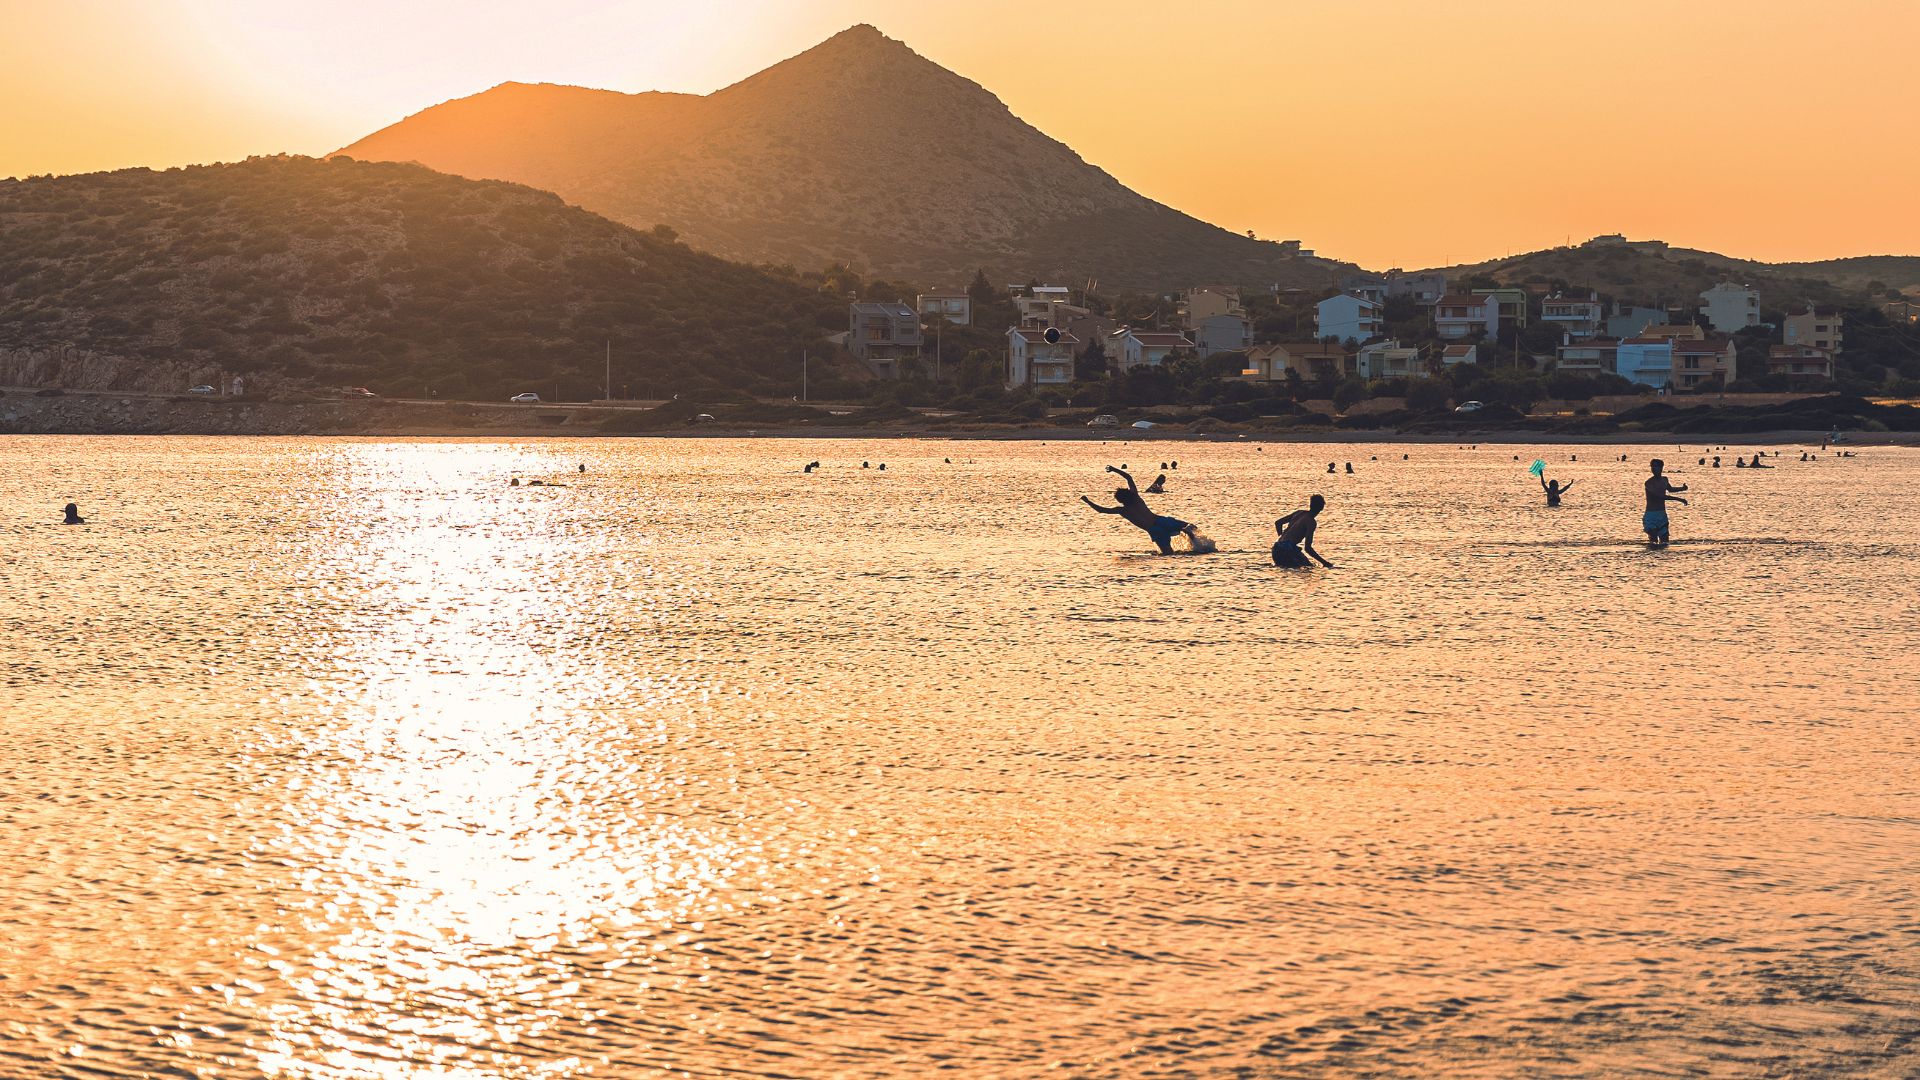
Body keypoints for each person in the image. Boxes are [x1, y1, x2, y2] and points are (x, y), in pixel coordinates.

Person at [1082, 466, 1199, 555]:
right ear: (1128, 493)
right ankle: (1197, 544)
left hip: (1154, 530)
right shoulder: (1136, 498)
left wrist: (1087, 501)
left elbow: (1101, 510)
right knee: (1191, 527)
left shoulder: (1122, 510)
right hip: (1160, 521)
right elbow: (1128, 477)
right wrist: (1113, 469)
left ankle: (1187, 539)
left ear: (1120, 500)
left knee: (1168, 554)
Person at [1272, 495, 1334, 569]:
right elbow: (1307, 548)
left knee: (1294, 567)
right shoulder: (1311, 522)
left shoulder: (1299, 513)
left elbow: (1278, 523)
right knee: (1309, 568)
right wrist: (1324, 562)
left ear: (1310, 505)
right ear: (1322, 507)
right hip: (1287, 550)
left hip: (1276, 548)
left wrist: (1282, 538)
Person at [1642, 459, 1689, 548]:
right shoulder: (1649, 483)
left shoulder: (1664, 479)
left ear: (1661, 468)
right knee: (1653, 543)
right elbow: (1660, 496)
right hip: (1651, 515)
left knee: (1665, 542)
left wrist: (1682, 488)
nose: (1653, 469)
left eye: (1656, 466)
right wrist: (1679, 499)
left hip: (1662, 514)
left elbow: (1670, 489)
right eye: (1652, 466)